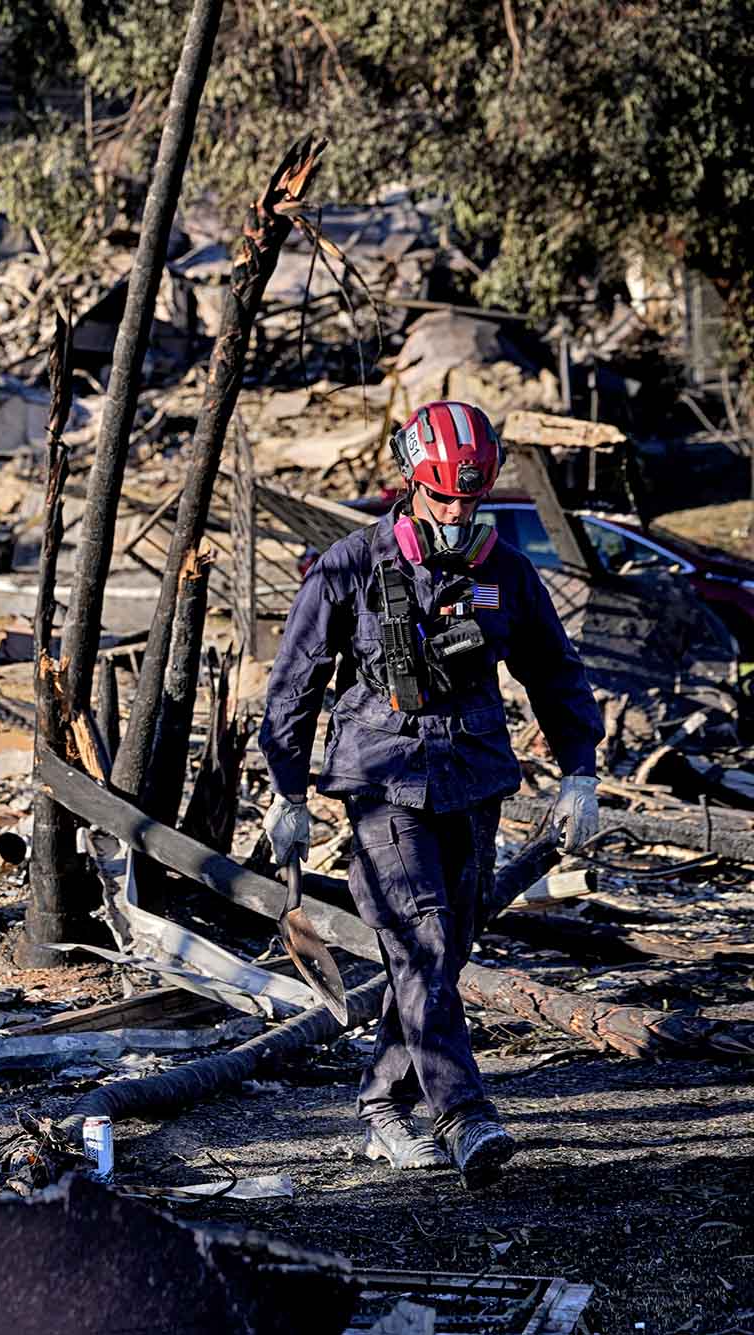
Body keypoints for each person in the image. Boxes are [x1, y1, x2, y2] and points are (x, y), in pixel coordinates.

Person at [258, 400, 603, 1189]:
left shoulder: (507, 573)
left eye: (469, 498)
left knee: (443, 952)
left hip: (474, 780)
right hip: (381, 782)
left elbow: (554, 672)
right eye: (442, 496)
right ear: (412, 482)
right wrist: (287, 792)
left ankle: (382, 1105)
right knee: (420, 938)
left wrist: (581, 770)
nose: (456, 512)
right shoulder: (348, 564)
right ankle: (463, 1115)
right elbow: (293, 688)